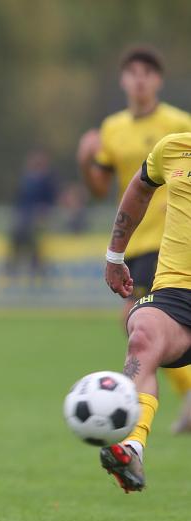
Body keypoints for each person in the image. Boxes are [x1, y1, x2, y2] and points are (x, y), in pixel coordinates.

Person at [77, 45, 191, 433]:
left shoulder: (177, 123)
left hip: (168, 241)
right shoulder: (112, 129)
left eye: (147, 73)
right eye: (133, 73)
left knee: (139, 321)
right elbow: (101, 189)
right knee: (140, 323)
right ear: (123, 80)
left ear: (158, 81)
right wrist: (85, 161)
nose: (140, 80)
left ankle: (180, 396)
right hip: (136, 243)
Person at [102, 131, 191, 493]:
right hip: (176, 289)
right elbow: (140, 187)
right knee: (141, 336)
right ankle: (131, 447)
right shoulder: (174, 148)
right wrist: (115, 255)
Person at [6, 149, 58, 279]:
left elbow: (50, 200)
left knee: (33, 237)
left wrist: (44, 212)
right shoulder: (26, 179)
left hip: (37, 218)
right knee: (18, 235)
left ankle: (35, 267)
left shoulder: (47, 180)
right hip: (25, 216)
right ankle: (13, 266)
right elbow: (19, 199)